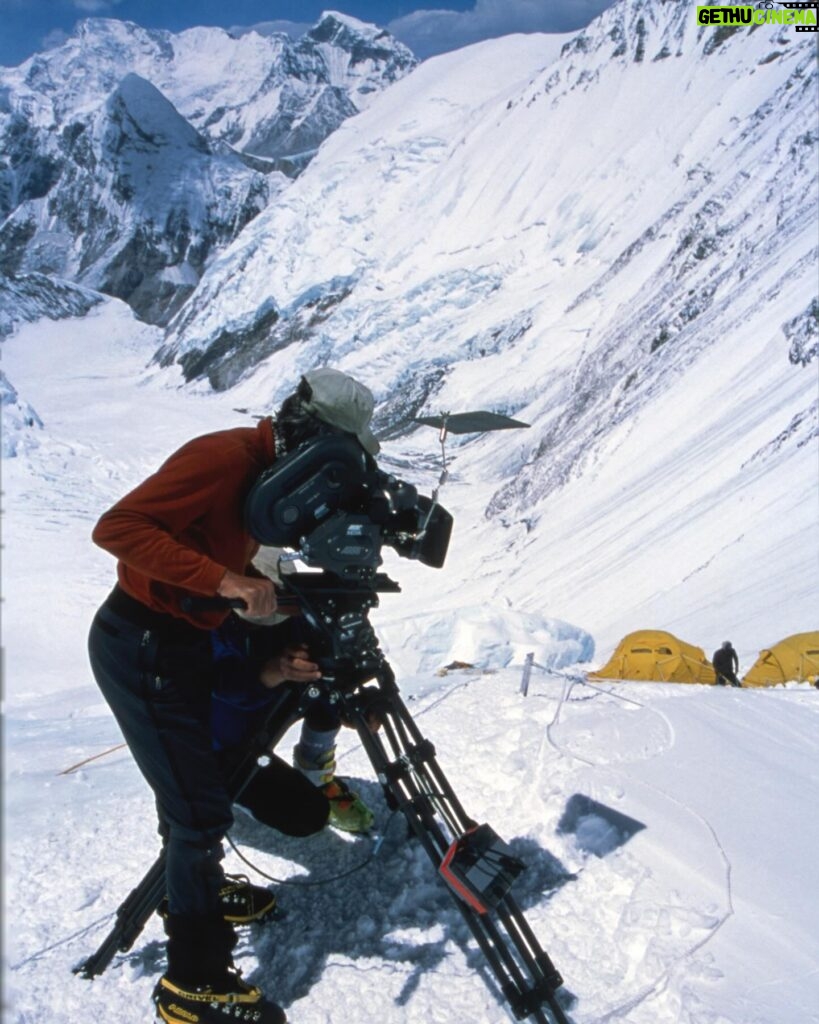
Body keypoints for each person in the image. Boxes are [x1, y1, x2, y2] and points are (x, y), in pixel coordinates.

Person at [87, 368, 381, 1024]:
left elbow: (206, 545)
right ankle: (192, 985)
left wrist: (258, 601)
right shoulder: (224, 458)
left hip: (177, 644)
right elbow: (119, 528)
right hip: (141, 645)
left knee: (200, 791)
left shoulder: (262, 477)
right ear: (317, 441)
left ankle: (198, 893)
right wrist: (228, 582)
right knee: (198, 813)